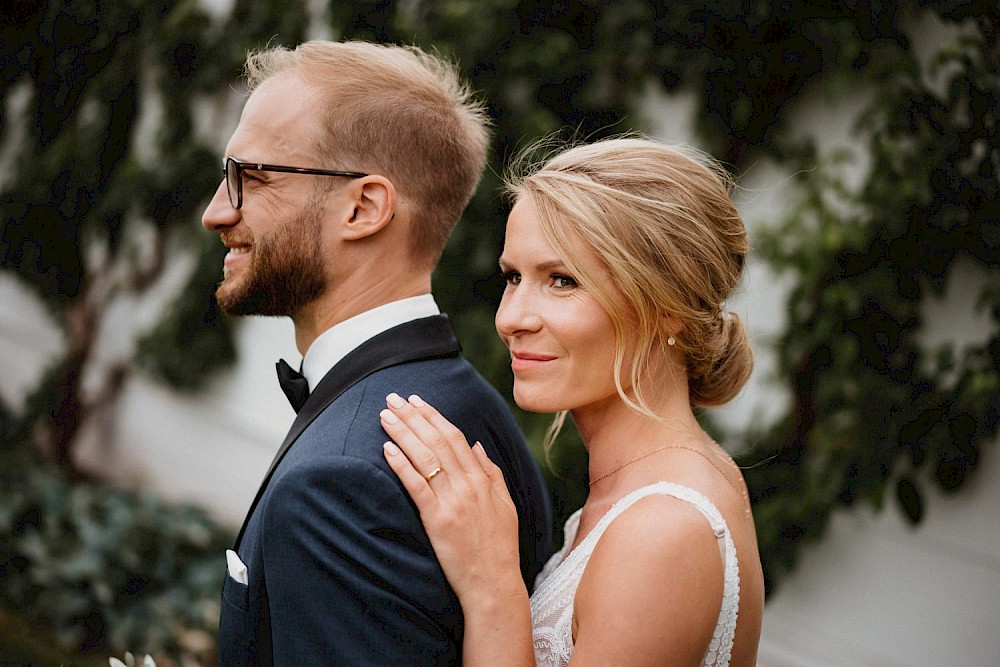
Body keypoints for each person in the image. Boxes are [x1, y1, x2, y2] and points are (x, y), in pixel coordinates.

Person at [201, 40, 552, 665]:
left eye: (251, 178)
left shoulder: (338, 485)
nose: (216, 212)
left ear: (363, 208)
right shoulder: (473, 406)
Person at [380, 137, 766, 666]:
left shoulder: (663, 529)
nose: (512, 317)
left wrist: (491, 586)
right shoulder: (655, 486)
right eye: (513, 277)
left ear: (669, 306)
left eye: (562, 281)